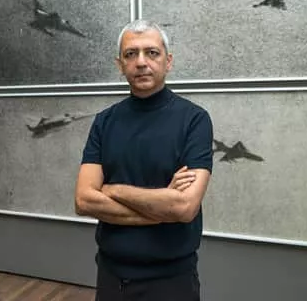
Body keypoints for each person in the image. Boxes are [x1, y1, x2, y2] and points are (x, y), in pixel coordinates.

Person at [74, 19, 214, 301]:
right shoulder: (104, 122)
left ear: (168, 61)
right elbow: (84, 201)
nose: (141, 62)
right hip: (111, 277)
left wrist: (112, 190)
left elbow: (184, 207)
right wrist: (162, 207)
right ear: (120, 64)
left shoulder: (194, 120)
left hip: (171, 281)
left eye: (151, 52)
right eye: (131, 54)